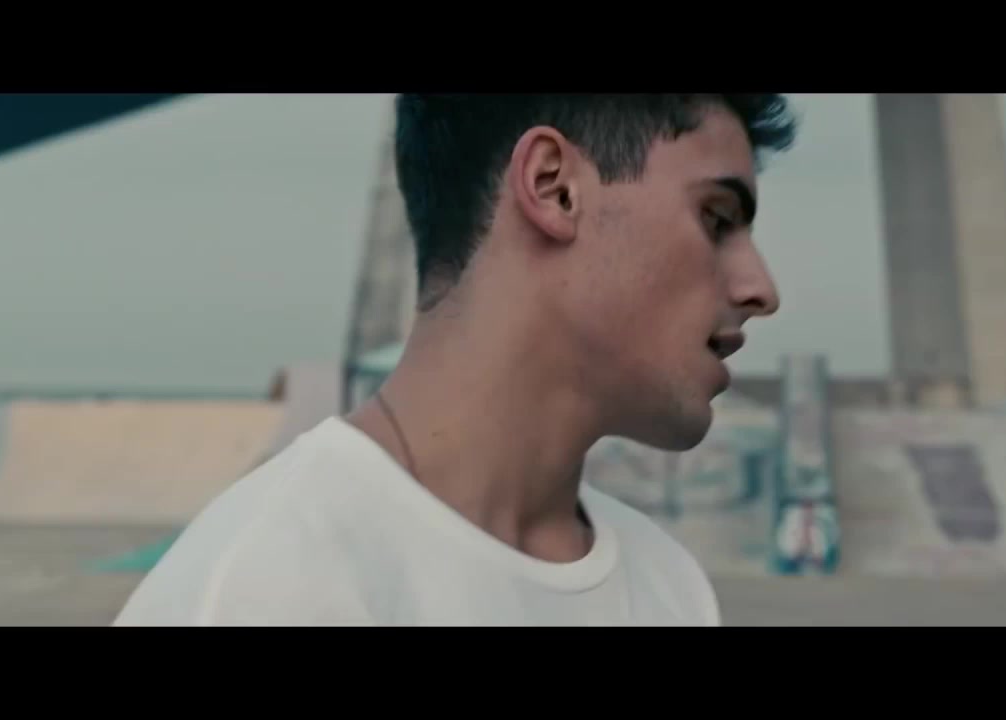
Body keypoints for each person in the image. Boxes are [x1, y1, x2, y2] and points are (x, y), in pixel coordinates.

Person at [113, 94, 797, 626]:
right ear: (554, 187)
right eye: (716, 219)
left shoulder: (670, 589)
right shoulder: (274, 585)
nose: (760, 289)